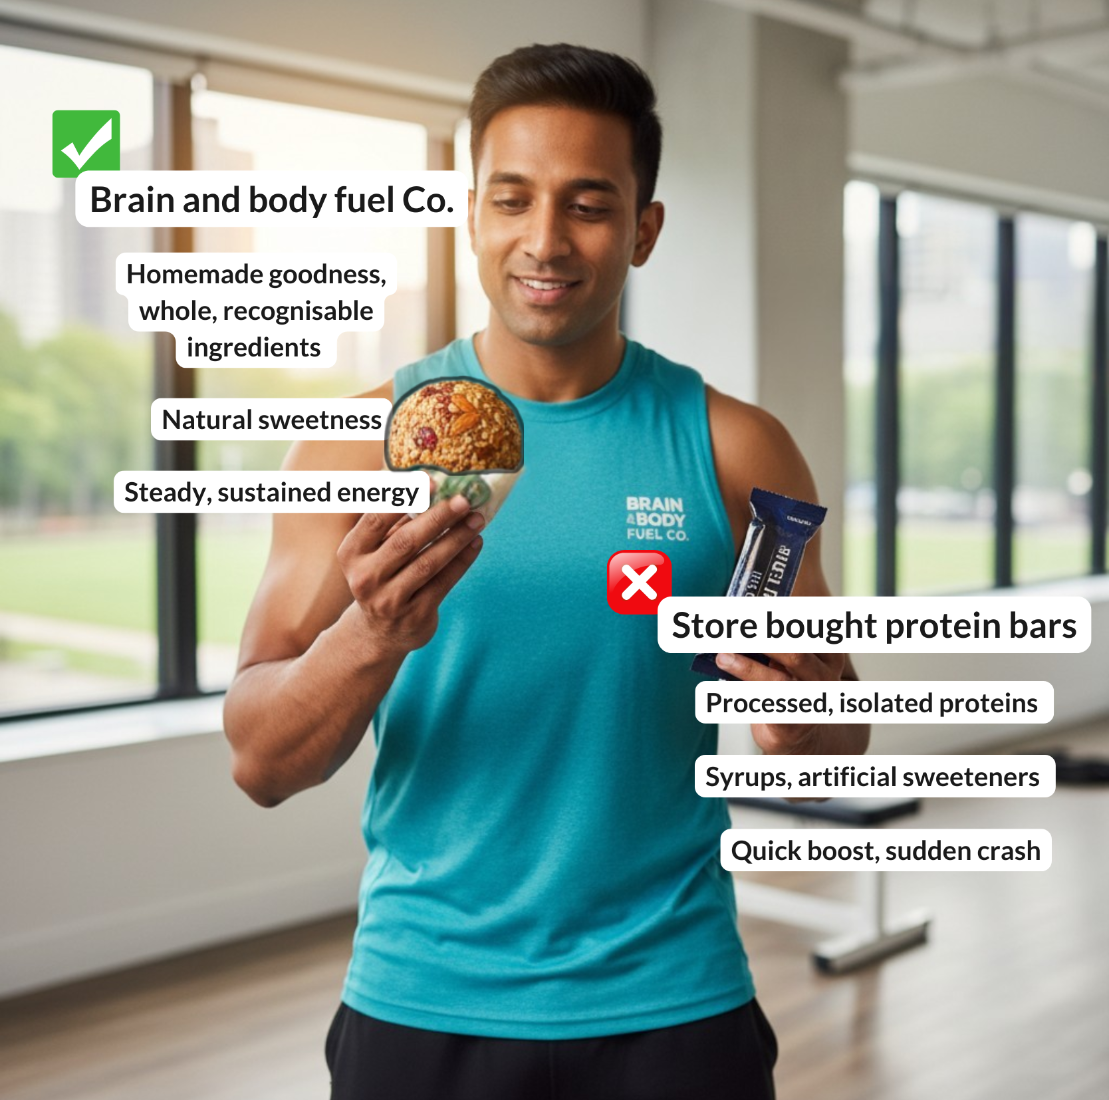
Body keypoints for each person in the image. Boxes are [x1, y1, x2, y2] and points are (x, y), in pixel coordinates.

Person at [224, 42, 869, 1100]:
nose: (544, 240)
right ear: (469, 213)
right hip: (421, 999)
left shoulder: (742, 453)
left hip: (673, 1004)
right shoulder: (355, 445)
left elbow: (830, 740)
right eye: (511, 199)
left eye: (588, 204)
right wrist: (372, 633)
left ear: (643, 228)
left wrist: (796, 714)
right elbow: (260, 760)